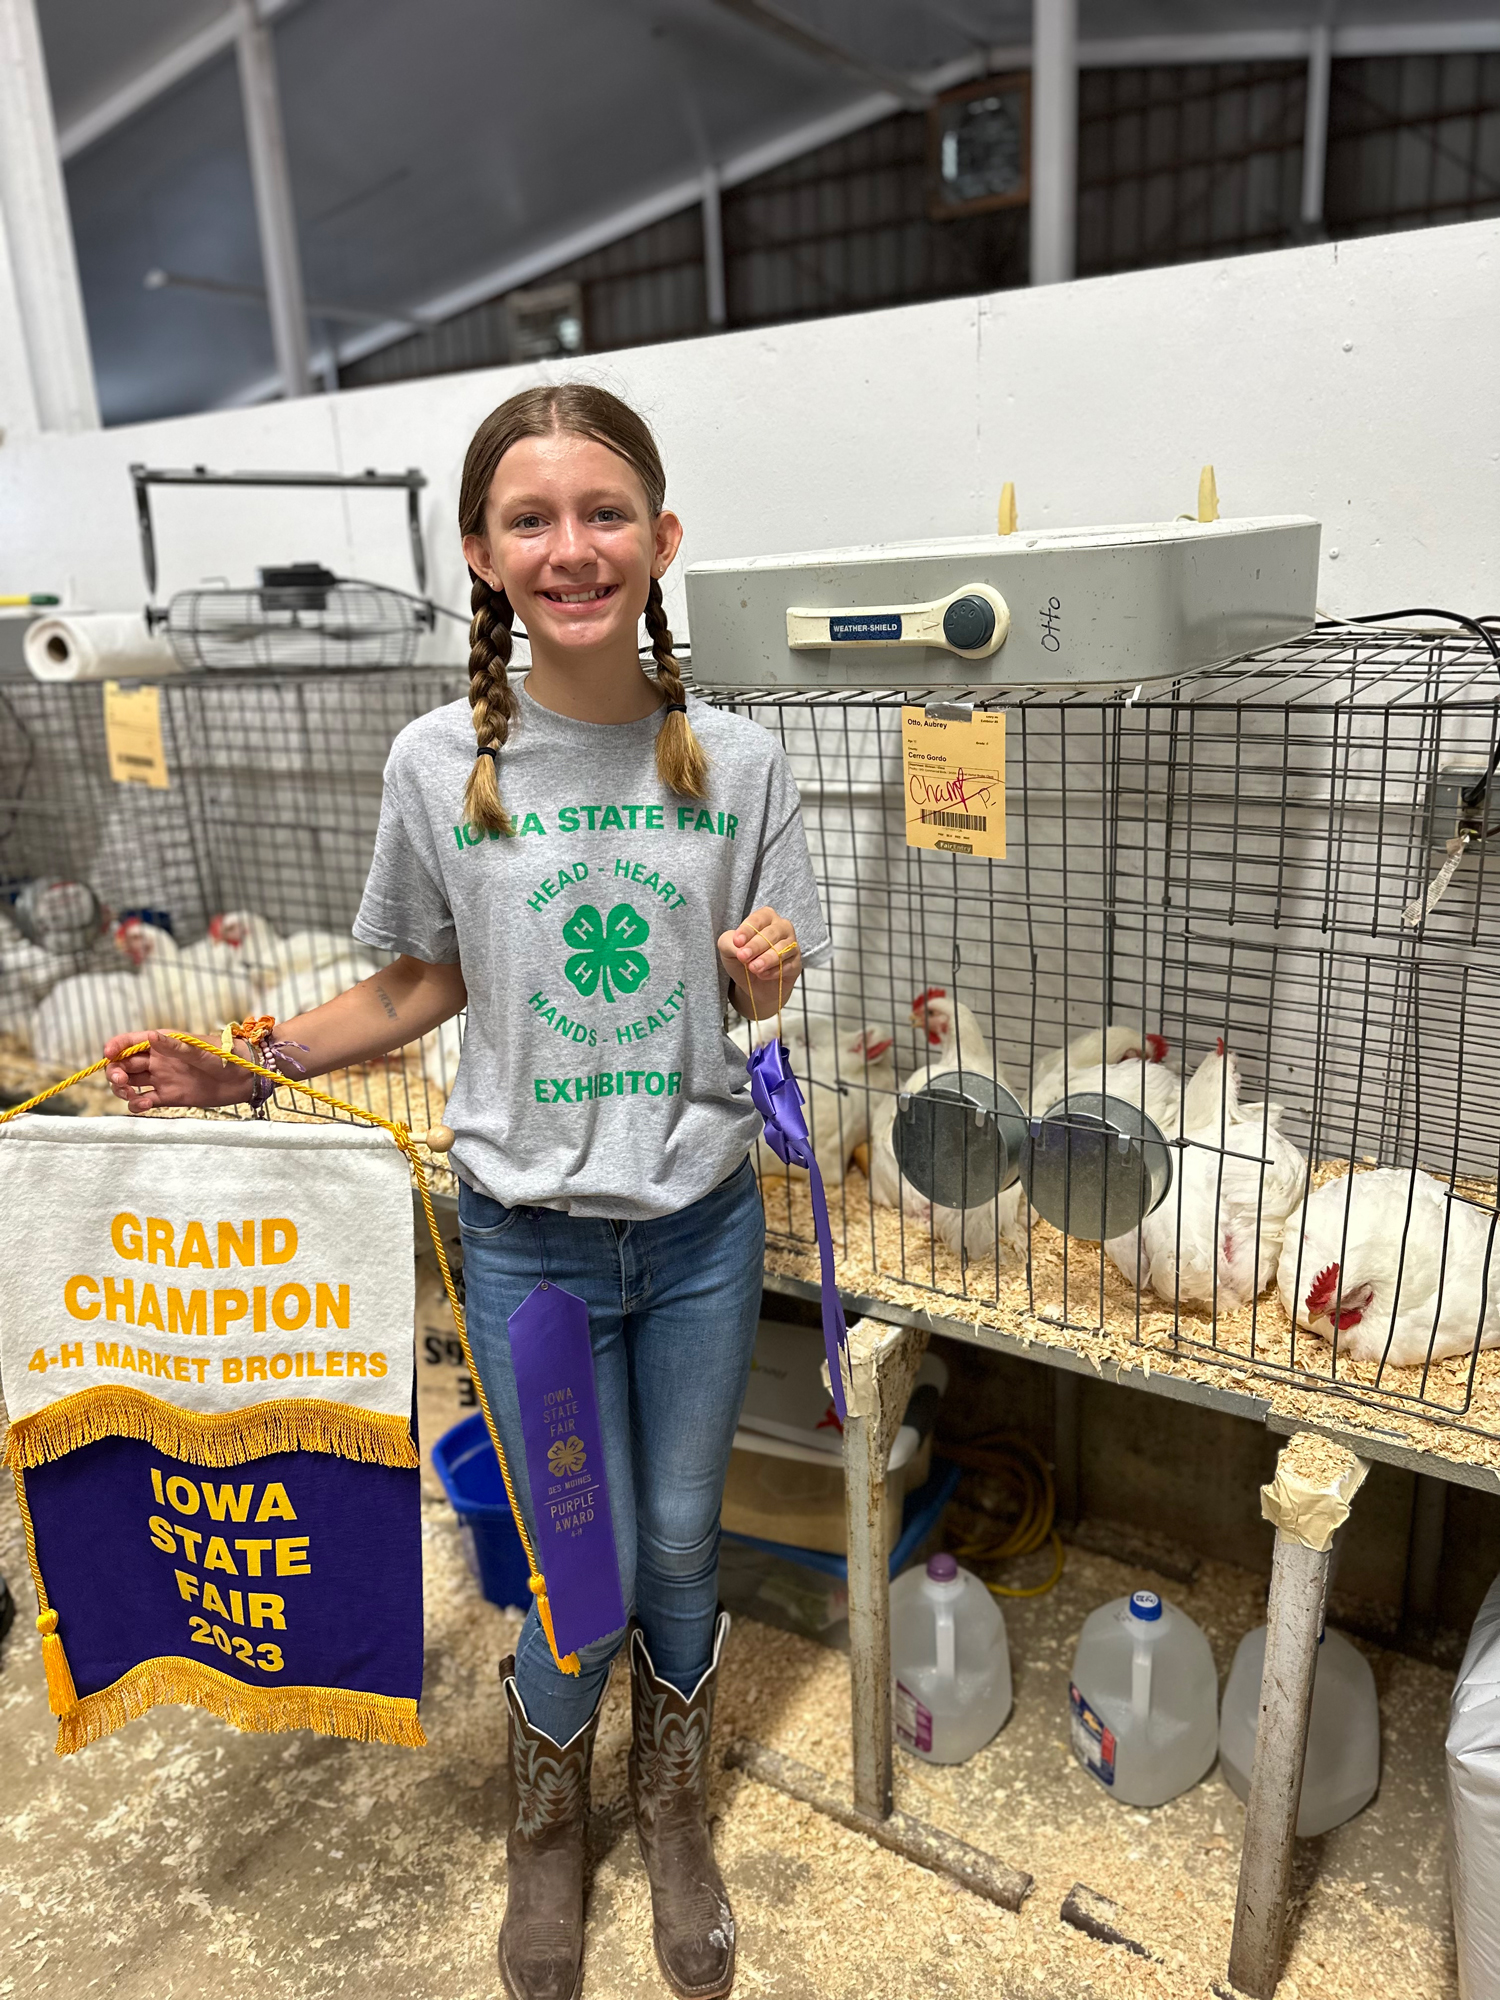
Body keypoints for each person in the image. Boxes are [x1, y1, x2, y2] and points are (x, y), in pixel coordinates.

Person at [103, 383, 830, 2000]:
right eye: (530, 519)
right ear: (483, 557)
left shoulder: (744, 761)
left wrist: (765, 973)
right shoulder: (442, 764)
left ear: (662, 538)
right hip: (527, 1254)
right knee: (582, 1572)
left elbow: (763, 1000)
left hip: (702, 1236)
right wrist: (254, 1061)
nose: (572, 548)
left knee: (685, 1547)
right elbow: (419, 982)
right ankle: (544, 1832)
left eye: (604, 512)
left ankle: (675, 1805)